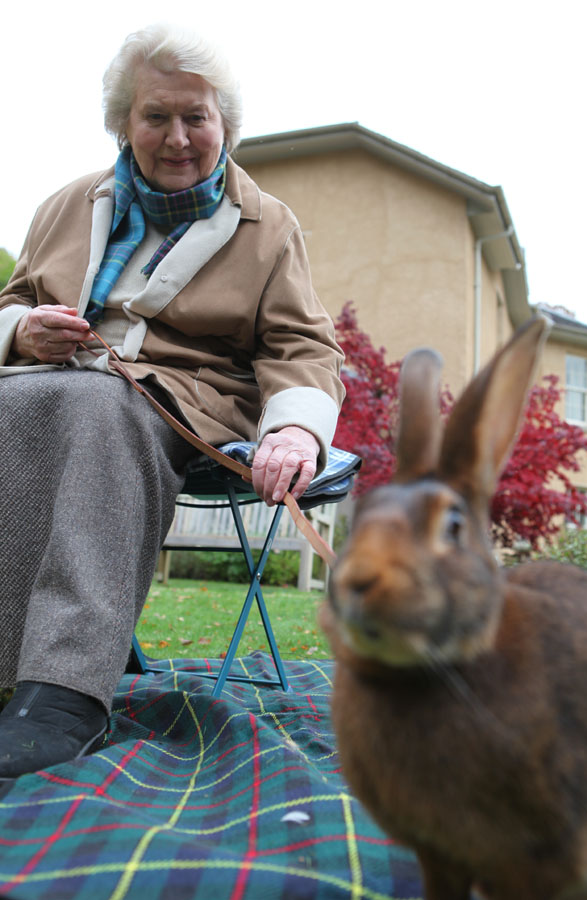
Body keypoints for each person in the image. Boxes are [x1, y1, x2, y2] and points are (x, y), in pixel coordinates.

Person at [0, 24, 344, 781]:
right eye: (157, 116)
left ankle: (62, 690)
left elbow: (303, 350)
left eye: (197, 117)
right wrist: (21, 331)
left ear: (227, 126)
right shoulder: (65, 205)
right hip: (49, 385)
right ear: (125, 122)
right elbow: (14, 301)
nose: (178, 136)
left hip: (180, 400)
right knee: (33, 408)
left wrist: (294, 431)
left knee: (94, 410)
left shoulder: (269, 226)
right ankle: (36, 650)